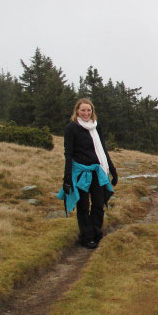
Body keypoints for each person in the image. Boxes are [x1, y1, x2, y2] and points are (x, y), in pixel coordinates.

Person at [57, 98, 118, 249]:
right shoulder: (71, 128)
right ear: (77, 111)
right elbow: (68, 154)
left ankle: (97, 233)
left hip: (97, 171)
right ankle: (87, 237)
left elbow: (103, 149)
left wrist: (112, 170)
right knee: (83, 206)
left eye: (88, 110)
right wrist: (67, 177)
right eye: (83, 110)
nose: (86, 113)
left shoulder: (96, 127)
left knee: (98, 204)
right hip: (80, 173)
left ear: (92, 111)